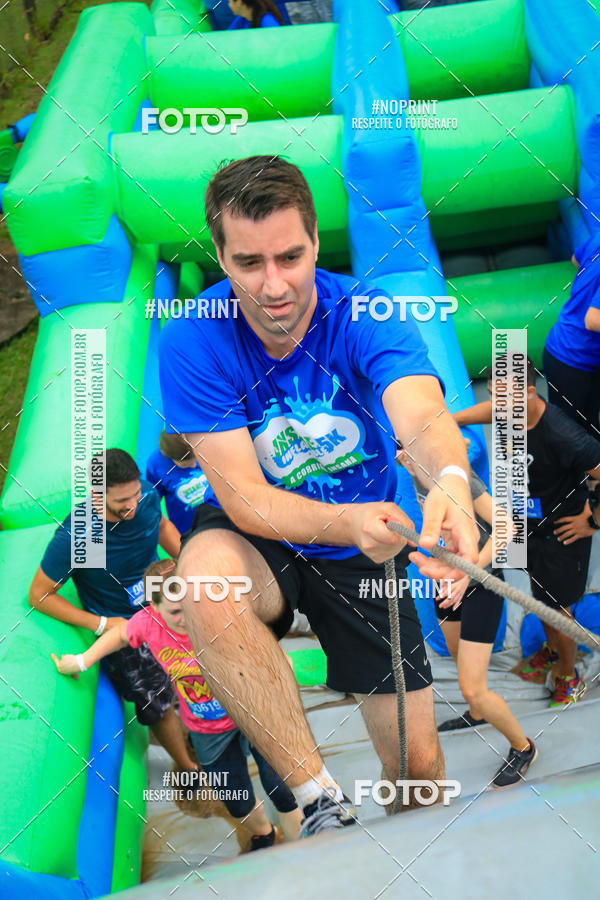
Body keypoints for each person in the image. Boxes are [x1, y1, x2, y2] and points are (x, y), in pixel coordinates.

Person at [158, 155, 480, 835]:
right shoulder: (191, 335)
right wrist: (347, 521)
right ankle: (318, 799)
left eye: (290, 257)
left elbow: (421, 417)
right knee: (206, 585)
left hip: (369, 537)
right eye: (248, 263)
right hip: (264, 531)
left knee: (421, 775)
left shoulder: (366, 311)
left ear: (314, 241)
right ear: (219, 254)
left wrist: (449, 483)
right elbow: (245, 497)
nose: (273, 285)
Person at [52, 558, 303, 850]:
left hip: (253, 713)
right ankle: (265, 832)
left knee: (283, 788)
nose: (185, 618)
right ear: (153, 607)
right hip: (208, 728)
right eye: (174, 611)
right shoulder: (147, 624)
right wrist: (81, 661)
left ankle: (305, 848)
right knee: (237, 801)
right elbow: (119, 635)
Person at [28, 448, 194, 769]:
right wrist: (103, 624)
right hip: (124, 625)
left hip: (161, 599)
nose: (132, 506)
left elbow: (161, 529)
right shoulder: (80, 535)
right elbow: (40, 595)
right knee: (155, 700)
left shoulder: (145, 497)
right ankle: (187, 766)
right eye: (121, 502)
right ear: (95, 495)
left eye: (134, 495)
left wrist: (191, 566)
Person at [397, 444, 537, 787]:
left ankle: (523, 747)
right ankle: (476, 715)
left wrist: (467, 573)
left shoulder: (459, 480)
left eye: (407, 448)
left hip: (480, 586)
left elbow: (507, 528)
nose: (401, 456)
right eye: (398, 449)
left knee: (473, 688)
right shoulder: (415, 475)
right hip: (447, 584)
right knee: (460, 662)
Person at [483, 358, 600, 705]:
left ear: (530, 392)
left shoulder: (565, 435)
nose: (496, 407)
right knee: (539, 594)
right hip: (531, 523)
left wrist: (593, 521)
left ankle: (568, 674)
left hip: (564, 532)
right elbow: (487, 413)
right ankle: (551, 650)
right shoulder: (512, 412)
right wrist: (445, 420)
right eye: (493, 396)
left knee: (557, 609)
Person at [543, 237, 600, 437]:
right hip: (572, 358)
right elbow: (593, 320)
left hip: (568, 348)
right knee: (566, 434)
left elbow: (576, 259)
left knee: (589, 427)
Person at [146, 431, 210, 535]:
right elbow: (153, 503)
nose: (194, 465)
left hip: (219, 520)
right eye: (186, 464)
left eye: (196, 458)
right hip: (187, 530)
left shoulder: (203, 443)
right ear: (165, 454)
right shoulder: (156, 466)